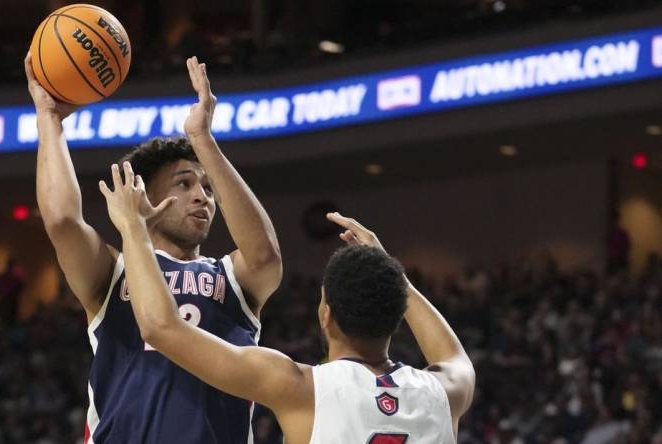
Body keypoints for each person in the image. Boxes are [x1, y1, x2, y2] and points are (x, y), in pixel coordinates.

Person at [99, 161, 475, 444]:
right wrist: (393, 275)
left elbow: (160, 327)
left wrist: (134, 228)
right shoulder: (445, 391)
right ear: (397, 315)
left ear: (326, 316)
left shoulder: (299, 386)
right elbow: (456, 359)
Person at [25, 54, 282, 443]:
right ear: (145, 196)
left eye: (207, 188)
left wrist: (204, 141)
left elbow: (266, 256)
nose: (203, 198)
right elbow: (62, 220)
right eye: (184, 185)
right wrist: (50, 120)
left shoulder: (231, 277)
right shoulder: (114, 271)